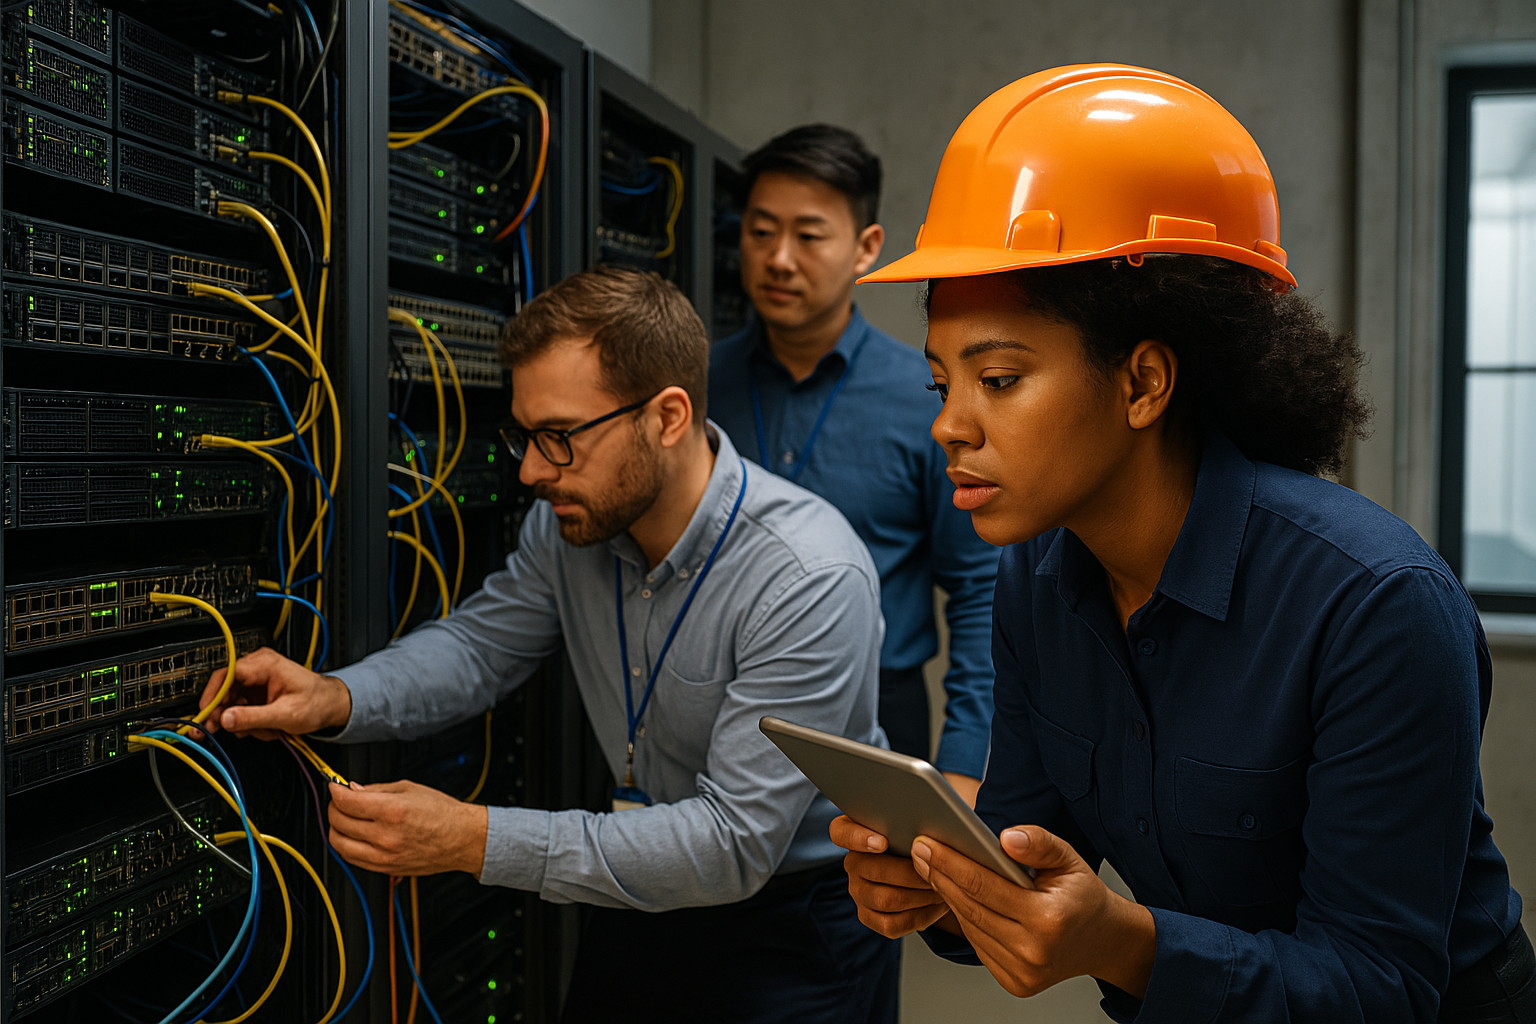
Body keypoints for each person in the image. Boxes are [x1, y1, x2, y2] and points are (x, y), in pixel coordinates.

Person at [832, 63, 1536, 1023]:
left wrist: (1121, 941)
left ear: (1143, 384)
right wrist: (942, 889)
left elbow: (1380, 986)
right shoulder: (1035, 577)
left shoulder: (1377, 605)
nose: (948, 426)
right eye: (939, 384)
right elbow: (1027, 847)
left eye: (997, 380)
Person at [200, 267, 901, 1023]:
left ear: (668, 417)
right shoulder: (572, 524)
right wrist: (337, 695)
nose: (533, 471)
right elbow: (480, 648)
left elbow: (732, 843)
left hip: (791, 923)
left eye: (560, 437)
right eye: (525, 437)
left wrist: (472, 838)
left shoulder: (806, 577)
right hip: (641, 881)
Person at [709, 124, 999, 806]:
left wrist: (964, 759)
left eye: (809, 236)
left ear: (867, 247)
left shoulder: (927, 399)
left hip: (876, 713)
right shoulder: (694, 388)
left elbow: (980, 587)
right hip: (718, 699)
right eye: (760, 232)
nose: (779, 259)